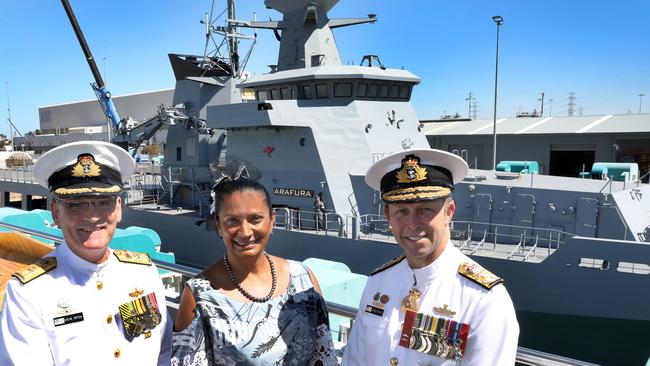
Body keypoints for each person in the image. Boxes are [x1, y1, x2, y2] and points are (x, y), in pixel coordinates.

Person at [0, 141, 171, 365]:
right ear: (55, 213)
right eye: (75, 204)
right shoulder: (28, 292)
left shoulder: (144, 273)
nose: (92, 216)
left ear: (118, 208)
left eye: (103, 202)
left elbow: (164, 354)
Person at [343, 149, 519, 365]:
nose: (412, 224)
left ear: (449, 212)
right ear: (388, 215)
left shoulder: (483, 298)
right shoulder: (378, 283)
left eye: (425, 210)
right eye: (401, 211)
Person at [172, 176, 337, 365]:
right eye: (232, 220)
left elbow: (324, 357)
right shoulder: (199, 295)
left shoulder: (303, 278)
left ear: (272, 219)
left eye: (255, 219)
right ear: (219, 225)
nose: (245, 232)